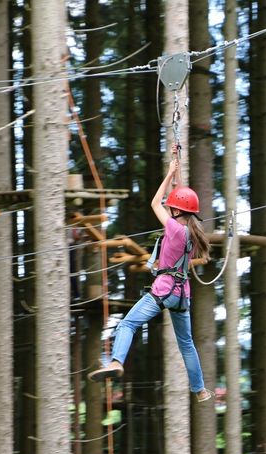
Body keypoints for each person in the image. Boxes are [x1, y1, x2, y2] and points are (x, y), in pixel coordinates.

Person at [88, 158, 213, 403]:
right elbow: (176, 203)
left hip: (164, 289)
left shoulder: (174, 229)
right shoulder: (192, 233)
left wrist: (167, 173)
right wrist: (176, 176)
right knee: (186, 343)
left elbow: (156, 202)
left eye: (172, 208)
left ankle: (116, 361)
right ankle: (200, 390)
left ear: (176, 211)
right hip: (182, 295)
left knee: (127, 325)